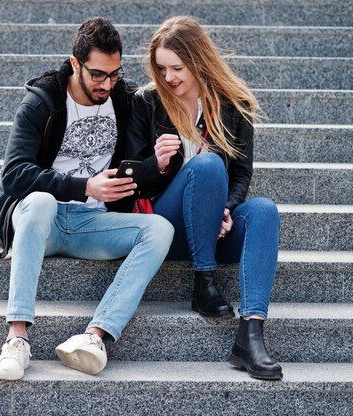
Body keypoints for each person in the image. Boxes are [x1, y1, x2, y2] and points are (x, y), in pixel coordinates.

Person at [0, 17, 174, 381]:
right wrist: (85, 187)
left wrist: (158, 163)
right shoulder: (41, 103)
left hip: (94, 223)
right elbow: (13, 174)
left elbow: (141, 168)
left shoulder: (124, 100)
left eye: (114, 74)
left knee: (159, 230)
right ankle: (17, 340)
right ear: (75, 64)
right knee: (40, 202)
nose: (106, 84)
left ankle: (95, 336)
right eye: (97, 75)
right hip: (44, 221)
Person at [123, 16, 283, 380]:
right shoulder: (146, 102)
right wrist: (157, 164)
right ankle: (203, 281)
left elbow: (241, 174)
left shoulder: (233, 103)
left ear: (198, 61)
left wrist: (225, 210)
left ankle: (250, 335)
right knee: (208, 165)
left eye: (177, 68)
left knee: (264, 211)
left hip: (214, 229)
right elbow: (132, 179)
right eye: (161, 68)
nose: (169, 78)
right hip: (167, 227)